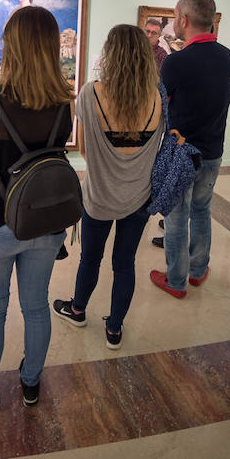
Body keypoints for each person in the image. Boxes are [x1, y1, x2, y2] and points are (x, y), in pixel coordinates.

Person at [0, 5, 73, 413]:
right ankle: (30, 384)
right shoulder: (65, 102)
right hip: (46, 219)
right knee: (37, 306)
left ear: (13, 46)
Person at [52, 24, 163, 349]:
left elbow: (84, 149)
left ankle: (77, 310)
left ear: (110, 55)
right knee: (125, 264)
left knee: (90, 259)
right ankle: (114, 329)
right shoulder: (157, 97)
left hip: (99, 197)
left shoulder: (90, 93)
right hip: (140, 199)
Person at [149, 0, 230, 298]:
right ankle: (198, 270)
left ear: (184, 20)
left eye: (175, 16)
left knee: (176, 217)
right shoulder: (227, 57)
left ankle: (176, 280)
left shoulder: (177, 62)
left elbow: (160, 105)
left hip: (181, 153)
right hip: (213, 152)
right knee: (201, 210)